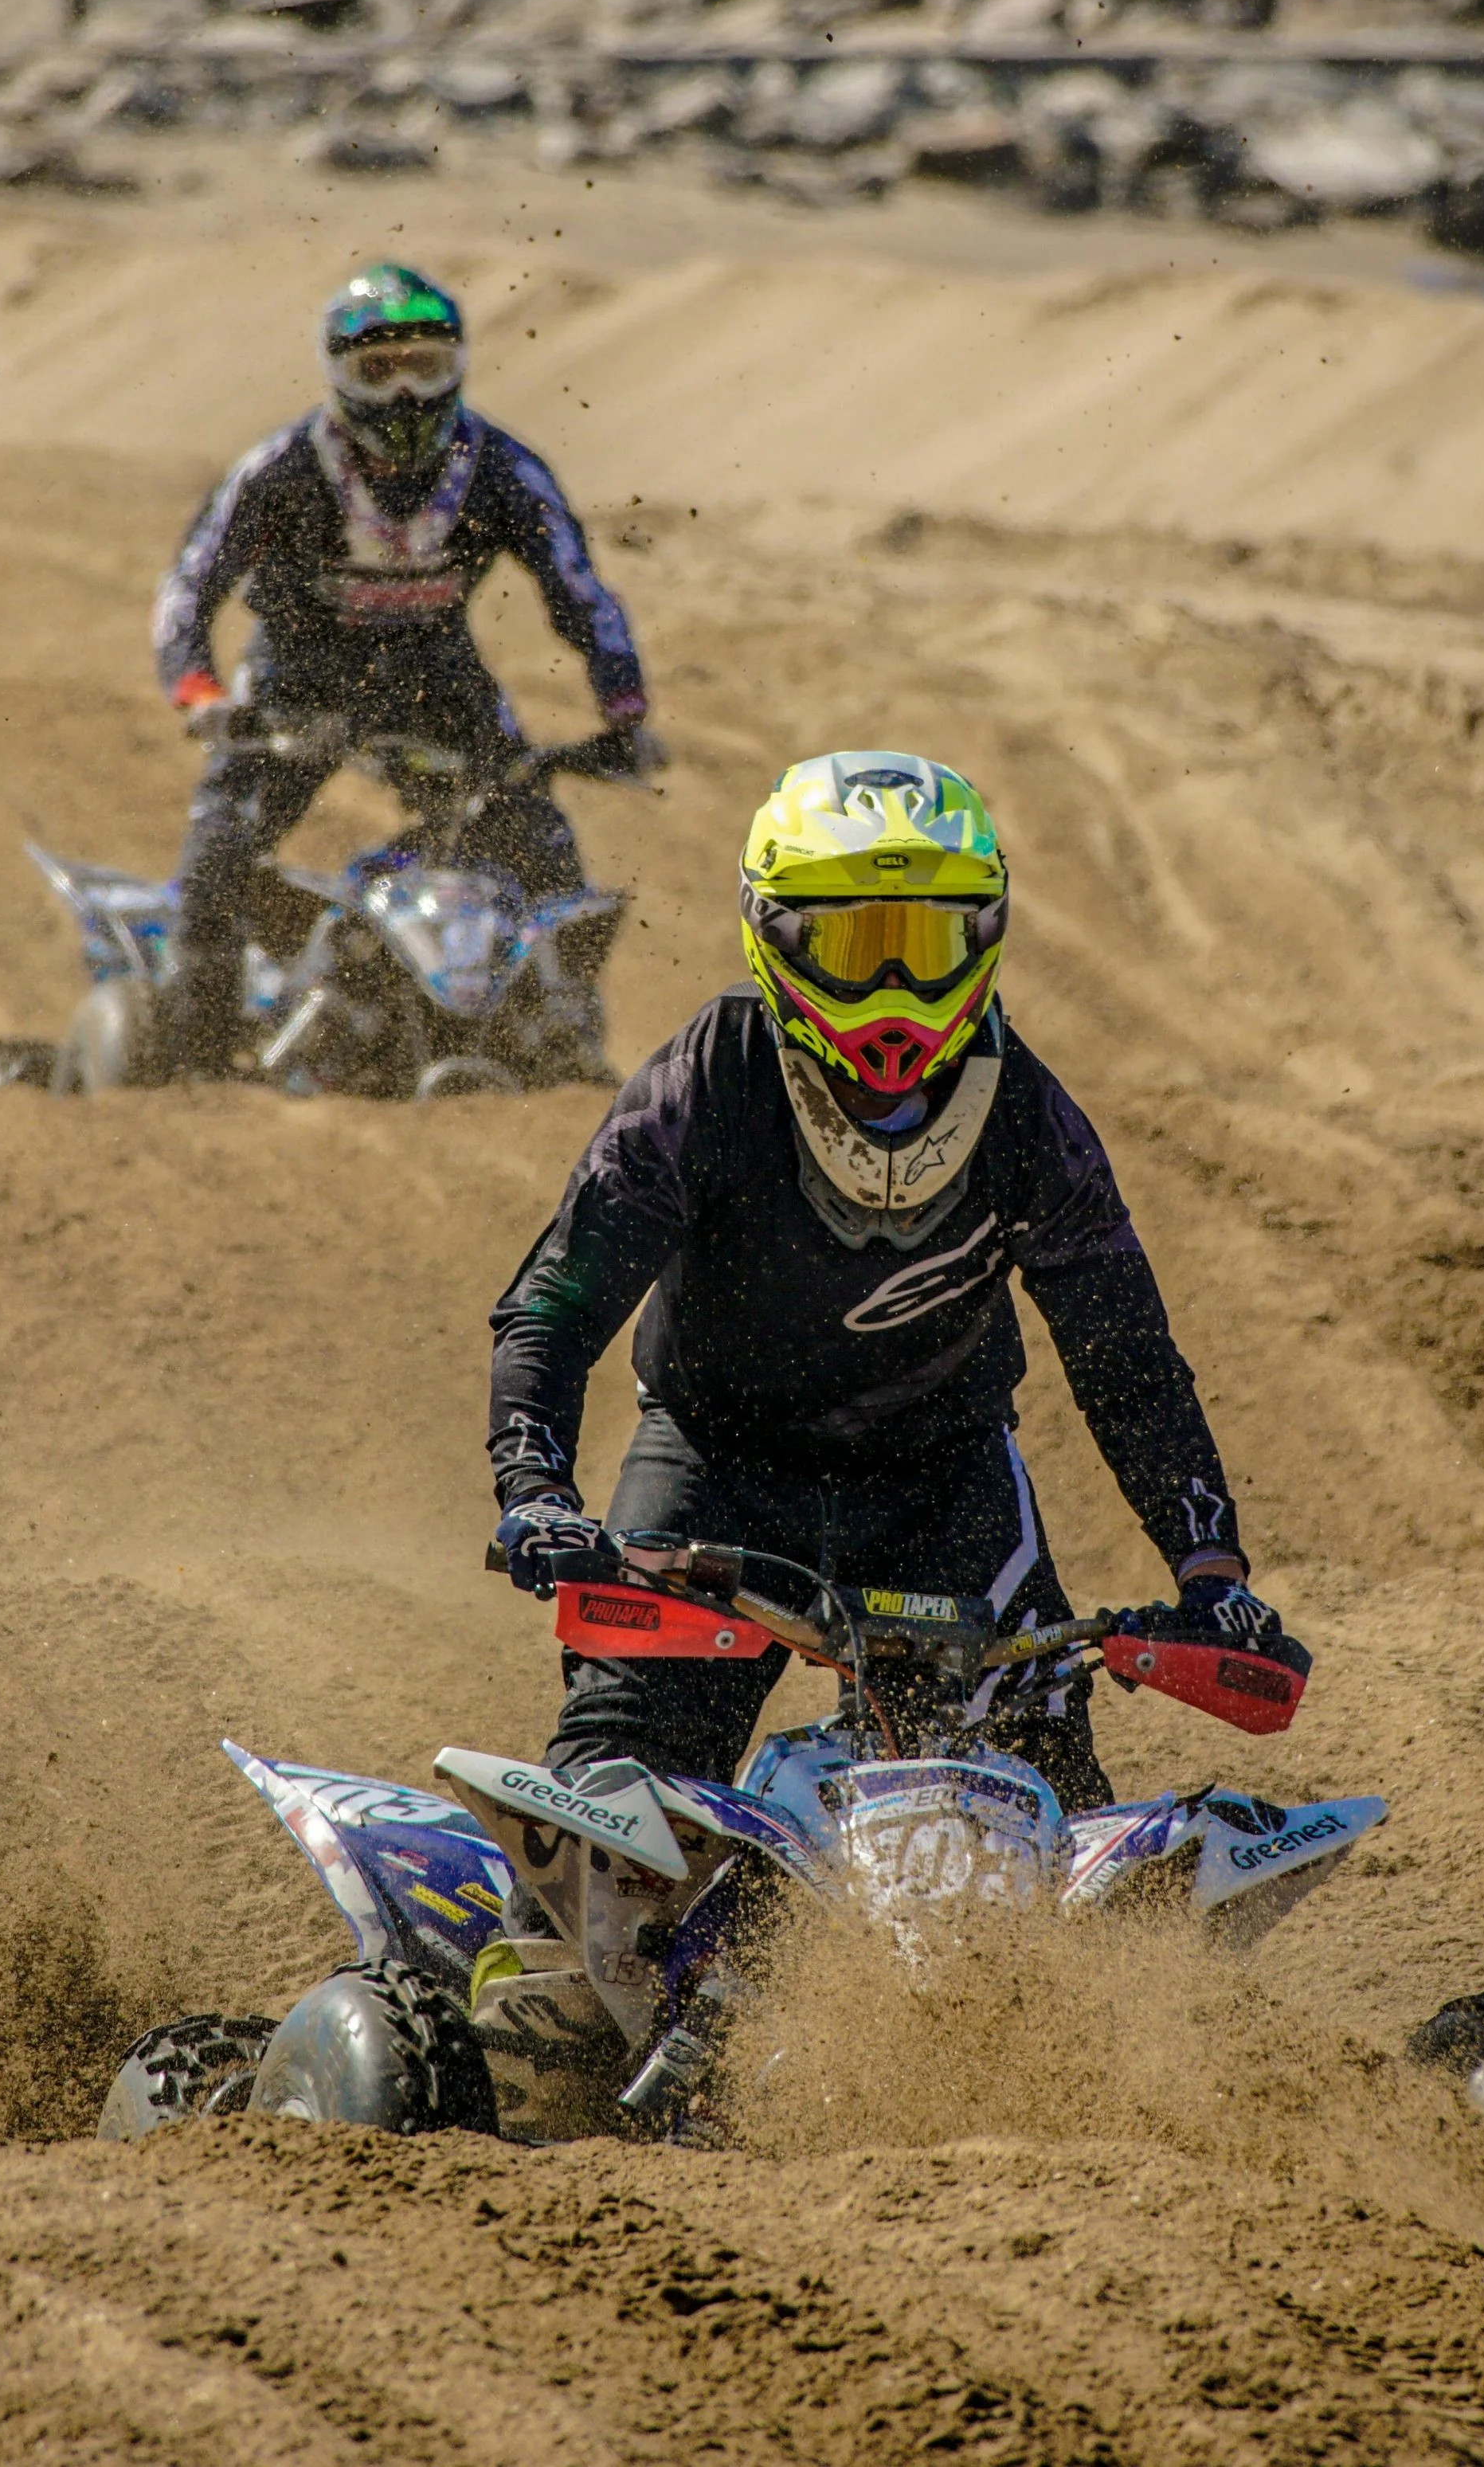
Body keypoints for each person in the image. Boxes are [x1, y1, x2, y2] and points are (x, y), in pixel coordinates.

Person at [487, 749, 1281, 1812]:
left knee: (1050, 1805)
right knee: (618, 1789)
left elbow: (1126, 1355)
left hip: (944, 1481)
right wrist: (537, 1495)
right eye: (860, 945)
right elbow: (554, 1305)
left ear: (986, 936)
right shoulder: (706, 1079)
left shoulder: (1028, 1117)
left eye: (930, 942)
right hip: (717, 1466)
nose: (896, 990)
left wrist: (1211, 1571)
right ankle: (535, 1970)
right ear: (777, 932)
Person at [149, 263, 654, 1076]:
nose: (405, 395)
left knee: (538, 844)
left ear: (457, 365)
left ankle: (553, 1041)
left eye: (425, 364)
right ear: (337, 375)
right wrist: (199, 690)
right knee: (223, 843)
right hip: (295, 679)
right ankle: (192, 1057)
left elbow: (579, 590)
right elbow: (188, 592)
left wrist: (625, 708)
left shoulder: (504, 469)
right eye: (377, 371)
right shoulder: (278, 468)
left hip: (436, 679)